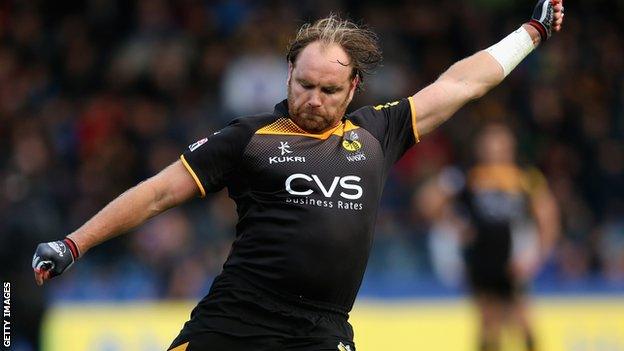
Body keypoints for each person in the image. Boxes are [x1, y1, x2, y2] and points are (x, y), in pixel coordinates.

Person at [32, 1, 564, 350]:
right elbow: (156, 194)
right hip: (235, 321)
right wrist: (72, 245)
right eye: (303, 84)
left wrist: (530, 34)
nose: (312, 99)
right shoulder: (249, 137)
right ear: (289, 72)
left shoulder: (379, 133)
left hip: (321, 331)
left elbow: (461, 84)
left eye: (328, 91)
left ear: (353, 88)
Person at [418, 123, 560, 351]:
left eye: (500, 145)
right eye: (490, 145)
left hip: (513, 257)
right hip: (481, 257)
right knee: (488, 322)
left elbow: (547, 214)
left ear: (511, 147)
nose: (495, 151)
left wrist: (537, 255)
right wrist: (455, 225)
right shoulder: (467, 174)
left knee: (522, 320)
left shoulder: (525, 176)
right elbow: (428, 202)